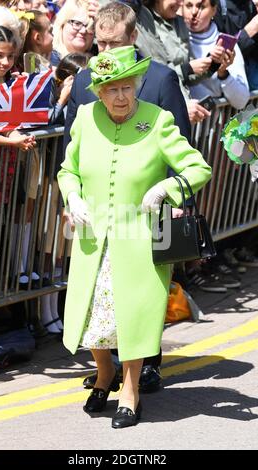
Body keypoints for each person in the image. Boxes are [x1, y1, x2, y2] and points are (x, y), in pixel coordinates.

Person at [57, 45, 212, 428]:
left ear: (137, 85)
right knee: (95, 316)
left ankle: (130, 389)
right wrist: (73, 195)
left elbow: (198, 168)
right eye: (111, 89)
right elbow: (67, 169)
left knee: (133, 318)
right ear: (98, 92)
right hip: (94, 239)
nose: (121, 96)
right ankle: (104, 372)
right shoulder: (84, 117)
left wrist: (166, 188)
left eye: (127, 87)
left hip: (141, 237)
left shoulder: (157, 120)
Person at [63, 1, 192, 392]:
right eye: (100, 43)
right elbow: (72, 149)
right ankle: (110, 367)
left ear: (133, 37)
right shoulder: (88, 80)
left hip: (151, 210)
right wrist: (71, 200)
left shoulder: (161, 79)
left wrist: (173, 200)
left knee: (144, 290)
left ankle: (147, 364)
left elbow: (181, 147)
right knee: (101, 291)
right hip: (99, 209)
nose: (106, 51)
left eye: (114, 42)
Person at [182, 0, 250, 109]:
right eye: (189, 5)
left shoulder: (226, 44)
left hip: (209, 123)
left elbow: (241, 101)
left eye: (201, 7)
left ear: (213, 10)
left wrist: (223, 73)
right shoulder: (171, 40)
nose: (194, 12)